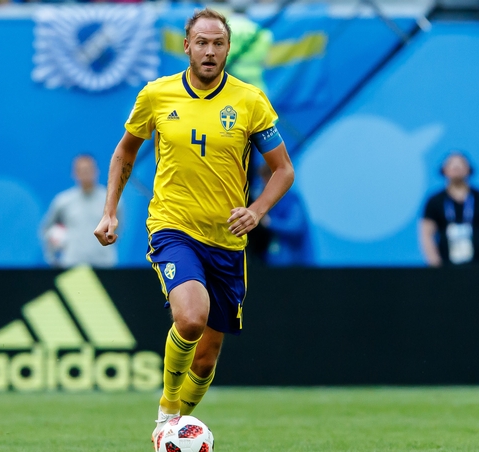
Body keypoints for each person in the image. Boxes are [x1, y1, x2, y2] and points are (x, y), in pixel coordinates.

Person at [92, 8, 294, 446]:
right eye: (201, 42)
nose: (209, 51)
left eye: (217, 43)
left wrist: (256, 210)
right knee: (190, 317)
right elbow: (125, 152)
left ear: (227, 48)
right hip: (172, 227)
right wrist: (110, 211)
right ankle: (167, 414)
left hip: (226, 241)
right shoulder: (157, 96)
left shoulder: (250, 101)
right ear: (187, 46)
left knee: (205, 358)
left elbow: (282, 170)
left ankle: (179, 426)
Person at [419, 152, 479, 266]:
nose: (456, 167)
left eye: (460, 164)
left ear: (468, 169)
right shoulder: (435, 201)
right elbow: (425, 233)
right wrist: (435, 263)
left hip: (478, 266)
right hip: (445, 267)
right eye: (452, 164)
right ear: (444, 170)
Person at [40, 154, 117, 268]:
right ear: (74, 173)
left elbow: (118, 228)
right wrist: (52, 258)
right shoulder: (63, 201)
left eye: (89, 169)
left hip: (104, 264)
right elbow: (47, 229)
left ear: (96, 171)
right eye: (81, 170)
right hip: (73, 264)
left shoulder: (111, 200)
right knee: (78, 286)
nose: (85, 173)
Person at [255, 164, 310, 266]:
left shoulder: (291, 200)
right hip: (271, 262)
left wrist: (270, 222)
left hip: (293, 264)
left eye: (266, 180)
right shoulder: (266, 201)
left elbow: (295, 226)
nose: (263, 185)